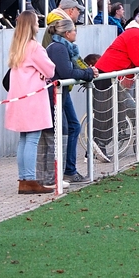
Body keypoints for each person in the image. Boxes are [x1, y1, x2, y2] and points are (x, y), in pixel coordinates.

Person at [92, 10, 139, 160]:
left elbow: (137, 60)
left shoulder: (133, 33)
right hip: (108, 76)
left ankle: (96, 147)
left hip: (110, 75)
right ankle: (98, 144)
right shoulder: (136, 35)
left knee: (115, 111)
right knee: (109, 112)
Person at [5, 11, 56, 194]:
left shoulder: (16, 46)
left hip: (19, 98)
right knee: (32, 140)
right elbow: (50, 70)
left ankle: (23, 179)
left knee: (24, 140)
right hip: (33, 99)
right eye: (36, 22)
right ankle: (30, 179)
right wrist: (42, 73)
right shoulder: (34, 47)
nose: (38, 25)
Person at [43, 18, 95, 184]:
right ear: (67, 33)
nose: (76, 33)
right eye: (74, 30)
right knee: (64, 130)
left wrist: (87, 72)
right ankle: (63, 172)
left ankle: (68, 170)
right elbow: (67, 72)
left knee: (73, 126)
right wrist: (87, 74)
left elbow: (72, 69)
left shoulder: (63, 47)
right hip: (55, 94)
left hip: (62, 93)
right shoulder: (58, 48)